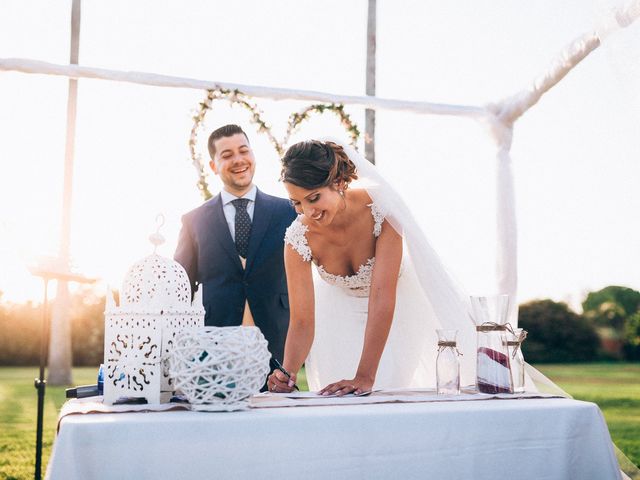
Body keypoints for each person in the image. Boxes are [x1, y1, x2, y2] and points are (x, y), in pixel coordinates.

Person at [267, 139, 478, 395]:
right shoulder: (297, 239)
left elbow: (382, 295)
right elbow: (301, 321)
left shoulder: (382, 209)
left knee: (388, 392)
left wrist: (364, 375)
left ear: (339, 182)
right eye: (297, 203)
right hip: (336, 320)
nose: (308, 211)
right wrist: (287, 374)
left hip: (397, 311)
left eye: (313, 198)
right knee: (340, 401)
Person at [174, 124, 296, 364]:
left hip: (277, 335)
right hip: (214, 340)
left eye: (244, 151)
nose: (239, 160)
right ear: (213, 166)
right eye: (227, 155)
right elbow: (181, 288)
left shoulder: (288, 211)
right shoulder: (193, 221)